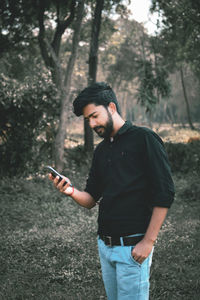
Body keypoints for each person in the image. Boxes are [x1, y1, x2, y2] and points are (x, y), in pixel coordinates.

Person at [49, 82, 175, 300]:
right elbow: (90, 198)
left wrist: (148, 242)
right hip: (105, 247)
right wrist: (69, 191)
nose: (91, 123)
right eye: (88, 119)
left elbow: (165, 192)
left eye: (95, 116)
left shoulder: (144, 138)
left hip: (133, 248)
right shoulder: (101, 150)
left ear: (112, 107)